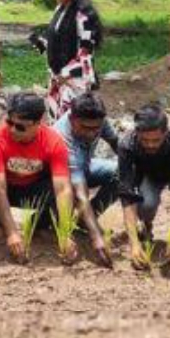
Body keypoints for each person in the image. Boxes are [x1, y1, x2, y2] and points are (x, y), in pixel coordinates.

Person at [0, 92, 74, 263]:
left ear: (39, 123)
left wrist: (65, 233)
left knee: (68, 191)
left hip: (35, 189)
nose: (12, 129)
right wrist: (11, 232)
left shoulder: (54, 142)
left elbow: (62, 188)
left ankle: (39, 225)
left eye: (20, 126)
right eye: (9, 122)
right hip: (6, 188)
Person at [117, 104, 170, 271]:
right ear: (137, 133)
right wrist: (134, 245)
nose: (150, 145)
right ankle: (146, 227)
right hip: (149, 175)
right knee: (147, 203)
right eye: (145, 140)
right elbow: (127, 196)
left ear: (165, 132)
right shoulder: (127, 145)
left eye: (156, 140)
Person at [53, 92, 121, 264]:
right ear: (72, 119)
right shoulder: (62, 137)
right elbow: (81, 194)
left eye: (95, 128)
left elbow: (116, 142)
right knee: (73, 193)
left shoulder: (99, 120)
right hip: (60, 180)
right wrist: (96, 236)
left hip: (85, 167)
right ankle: (70, 229)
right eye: (85, 128)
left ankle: (86, 219)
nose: (92, 133)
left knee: (122, 172)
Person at [29, 0, 104, 119]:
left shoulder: (83, 14)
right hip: (57, 79)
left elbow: (86, 50)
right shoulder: (59, 10)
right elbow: (55, 42)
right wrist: (38, 42)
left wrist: (66, 73)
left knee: (74, 122)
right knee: (57, 123)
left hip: (75, 81)